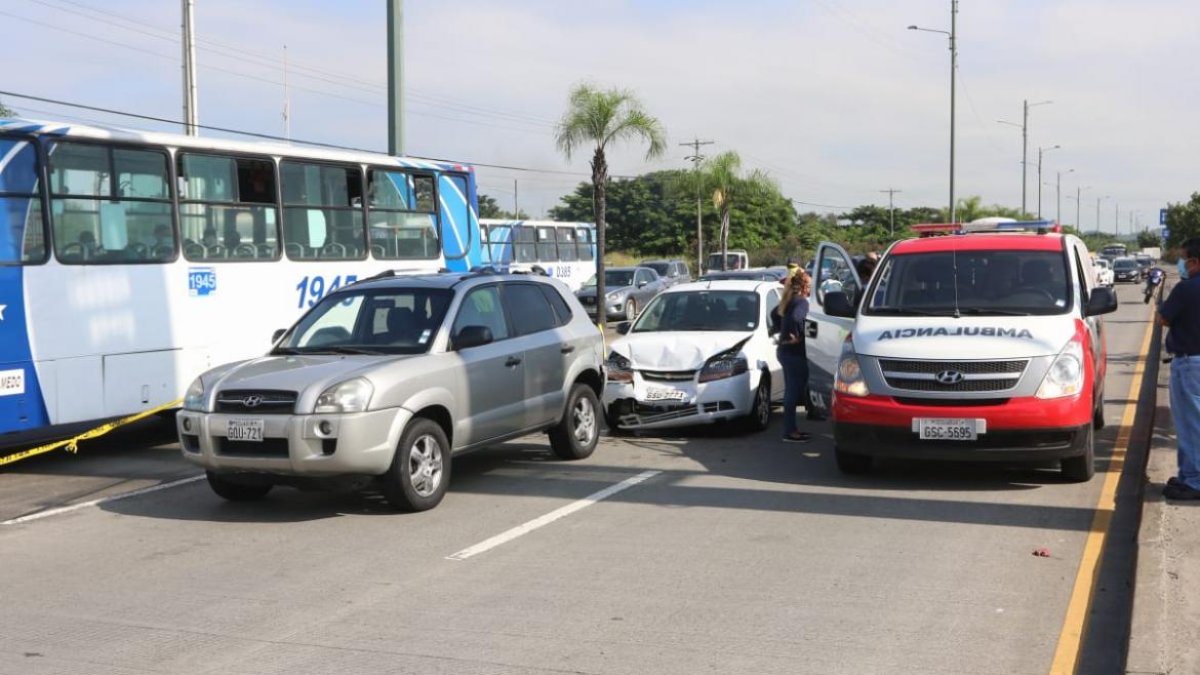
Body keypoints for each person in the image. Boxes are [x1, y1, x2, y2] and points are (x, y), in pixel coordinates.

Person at [1159, 238, 1200, 500]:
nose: (1181, 264)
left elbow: (1164, 318)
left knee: (1190, 425)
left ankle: (1195, 481)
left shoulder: (1186, 289)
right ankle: (1187, 475)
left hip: (1190, 365)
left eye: (1184, 258)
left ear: (1194, 262)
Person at [778, 270, 813, 442]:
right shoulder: (802, 302)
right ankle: (790, 431)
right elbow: (797, 318)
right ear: (805, 286)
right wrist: (798, 336)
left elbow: (774, 315)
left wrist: (783, 333)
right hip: (794, 353)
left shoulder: (788, 300)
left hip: (784, 351)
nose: (811, 290)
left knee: (790, 392)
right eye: (810, 286)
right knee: (793, 392)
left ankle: (790, 429)